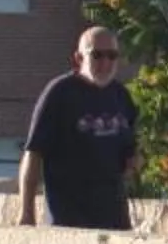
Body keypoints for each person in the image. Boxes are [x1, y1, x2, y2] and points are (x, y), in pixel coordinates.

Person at [16, 25, 139, 230]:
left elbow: (130, 151)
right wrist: (26, 213)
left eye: (112, 55)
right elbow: (34, 153)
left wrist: (133, 164)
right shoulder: (60, 93)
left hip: (114, 218)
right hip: (69, 218)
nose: (105, 63)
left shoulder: (121, 96)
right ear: (79, 59)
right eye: (97, 55)